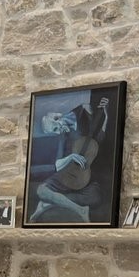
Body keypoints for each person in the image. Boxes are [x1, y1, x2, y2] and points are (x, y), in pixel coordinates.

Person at [31, 93, 113, 223]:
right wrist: (71, 157)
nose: (58, 132)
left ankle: (50, 202)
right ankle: (79, 210)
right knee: (41, 190)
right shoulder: (63, 134)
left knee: (96, 198)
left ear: (57, 118)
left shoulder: (84, 111)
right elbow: (57, 164)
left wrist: (106, 116)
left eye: (56, 128)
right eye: (54, 131)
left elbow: (98, 139)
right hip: (65, 176)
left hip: (85, 177)